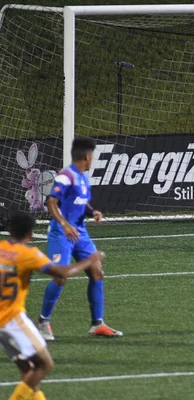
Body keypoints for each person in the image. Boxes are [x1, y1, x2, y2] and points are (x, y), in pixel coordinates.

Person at [0, 212, 104, 400]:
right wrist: (90, 260)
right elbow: (63, 272)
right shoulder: (28, 254)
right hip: (12, 318)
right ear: (30, 234)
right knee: (45, 365)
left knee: (28, 369)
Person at [38, 136, 123, 339]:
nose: (92, 158)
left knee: (97, 271)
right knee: (60, 276)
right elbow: (51, 202)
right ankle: (43, 322)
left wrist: (92, 211)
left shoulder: (83, 176)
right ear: (87, 156)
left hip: (80, 231)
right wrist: (65, 225)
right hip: (61, 232)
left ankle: (97, 323)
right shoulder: (66, 176)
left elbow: (79, 201)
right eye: (92, 155)